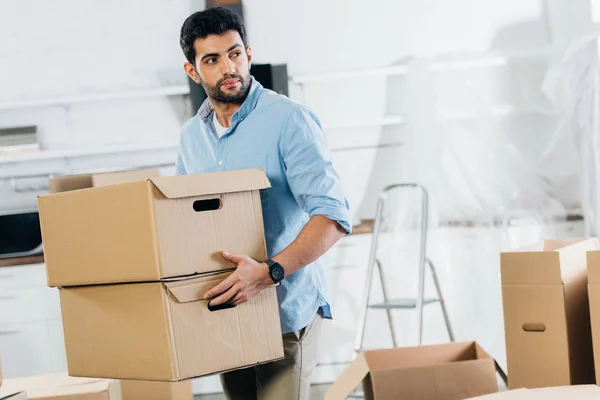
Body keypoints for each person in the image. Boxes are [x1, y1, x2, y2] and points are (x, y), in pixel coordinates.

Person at [177, 7, 351, 400]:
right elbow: (182, 221)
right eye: (212, 59)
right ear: (193, 71)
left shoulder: (289, 120)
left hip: (285, 314)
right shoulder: (190, 138)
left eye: (235, 53)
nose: (229, 67)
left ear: (248, 53)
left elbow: (333, 216)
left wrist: (269, 272)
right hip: (227, 314)